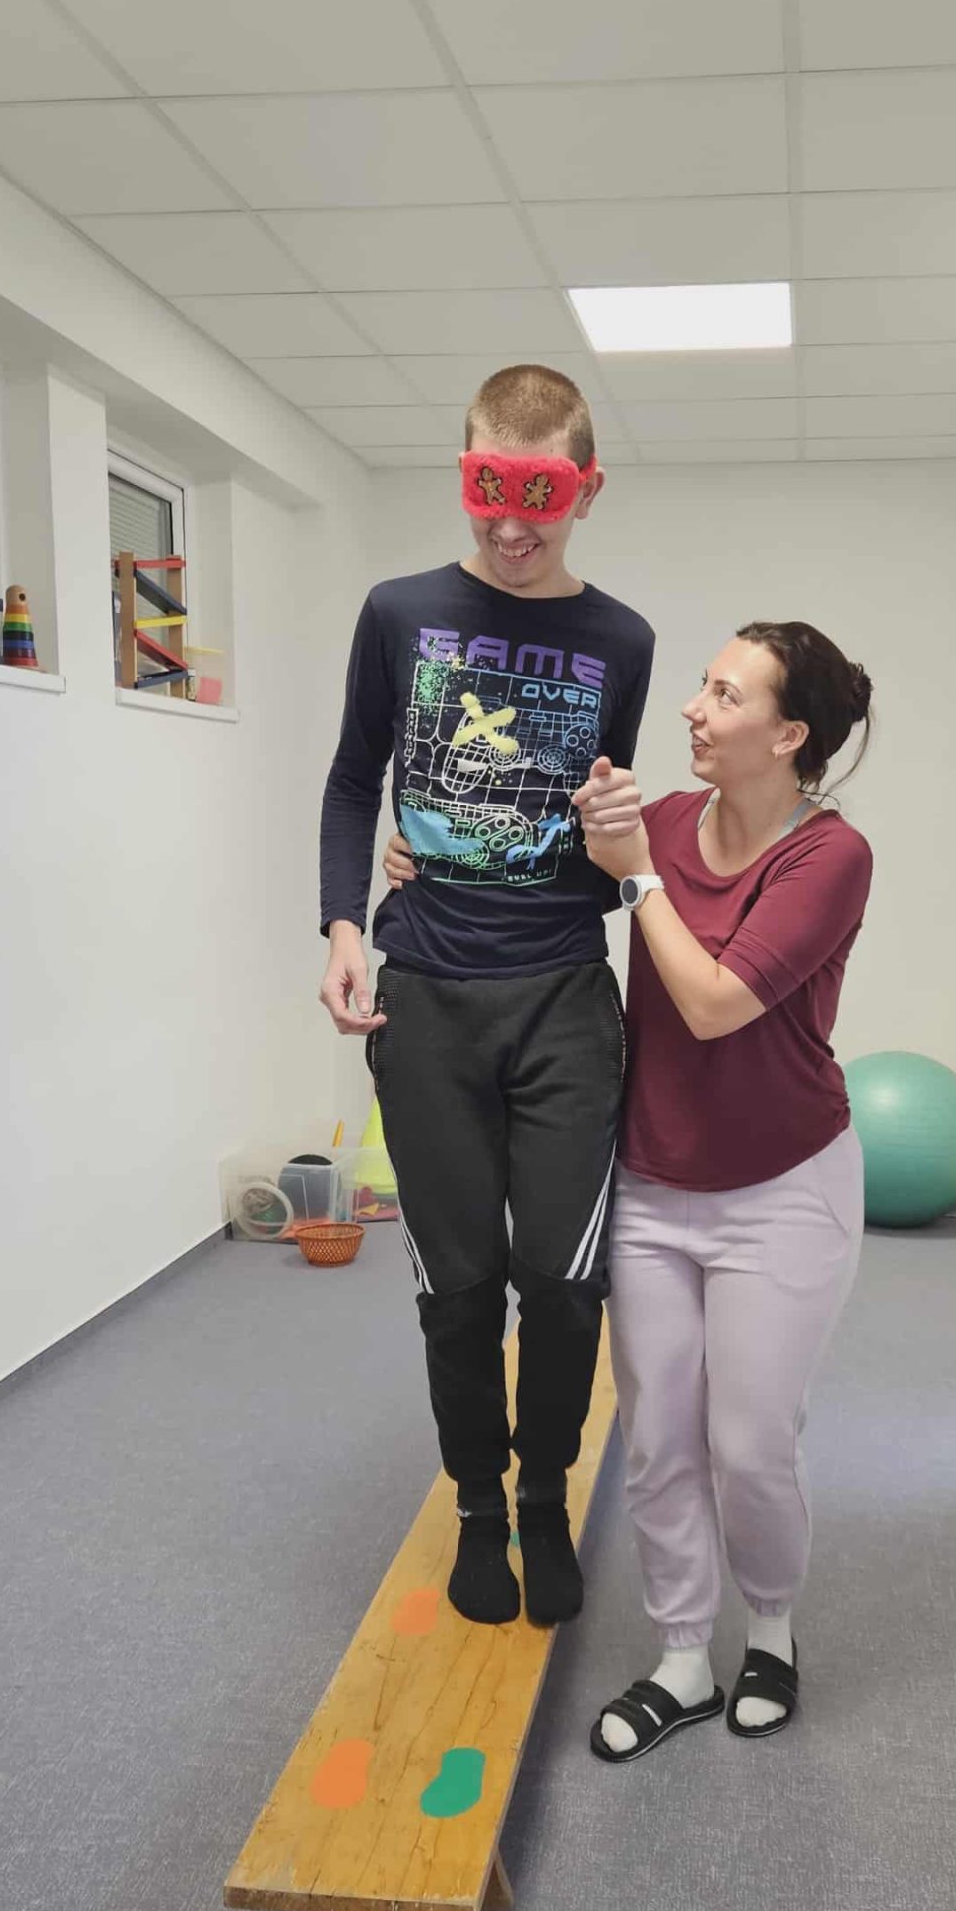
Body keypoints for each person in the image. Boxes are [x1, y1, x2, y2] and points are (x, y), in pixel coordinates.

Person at [318, 365, 654, 1628]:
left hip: (563, 989)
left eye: (541, 499)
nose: (511, 528)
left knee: (562, 1282)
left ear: (586, 490)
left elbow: (598, 816)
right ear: (464, 475)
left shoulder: (621, 640)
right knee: (456, 1287)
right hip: (430, 996)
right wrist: (345, 919)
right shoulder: (398, 611)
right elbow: (356, 776)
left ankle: (543, 1496)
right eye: (486, 494)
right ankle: (474, 1503)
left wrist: (617, 840)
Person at [573, 622, 875, 1758]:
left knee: (748, 1441)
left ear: (789, 736)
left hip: (784, 1186)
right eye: (702, 686)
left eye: (726, 694)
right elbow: (531, 881)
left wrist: (636, 876)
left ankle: (774, 1632)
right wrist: (414, 861)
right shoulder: (656, 825)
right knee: (658, 1434)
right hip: (653, 1182)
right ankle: (682, 1656)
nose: (694, 709)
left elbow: (710, 1004)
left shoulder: (829, 857)